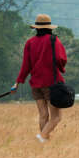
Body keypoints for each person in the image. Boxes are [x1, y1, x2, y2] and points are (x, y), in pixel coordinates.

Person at [11, 14, 67, 143]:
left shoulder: (29, 43)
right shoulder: (54, 40)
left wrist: (17, 83)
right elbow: (61, 59)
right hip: (51, 83)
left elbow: (26, 65)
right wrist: (61, 68)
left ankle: (44, 143)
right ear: (50, 28)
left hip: (35, 84)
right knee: (56, 117)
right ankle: (42, 137)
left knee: (43, 115)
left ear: (36, 28)